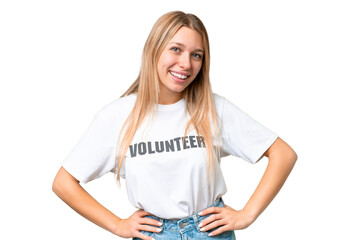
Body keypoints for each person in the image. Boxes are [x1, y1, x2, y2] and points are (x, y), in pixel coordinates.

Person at [52, 11, 297, 240]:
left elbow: (283, 154)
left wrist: (247, 214)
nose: (186, 64)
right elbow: (64, 183)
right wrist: (117, 224)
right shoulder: (117, 116)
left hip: (209, 232)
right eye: (176, 49)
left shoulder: (212, 108)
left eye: (196, 55)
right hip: (153, 234)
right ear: (154, 50)